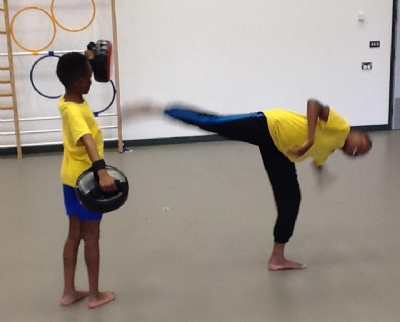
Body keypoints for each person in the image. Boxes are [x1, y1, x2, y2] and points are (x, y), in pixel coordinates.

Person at [127, 98, 372, 270]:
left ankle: (277, 258)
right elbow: (314, 104)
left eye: (360, 154)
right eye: (361, 145)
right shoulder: (341, 127)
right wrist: (308, 139)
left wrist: (322, 173)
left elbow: (318, 159)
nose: (357, 151)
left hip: (279, 152)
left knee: (291, 201)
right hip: (269, 125)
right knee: (215, 123)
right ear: (357, 134)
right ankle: (157, 109)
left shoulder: (330, 148)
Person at [56, 52, 117, 308]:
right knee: (91, 236)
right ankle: (94, 295)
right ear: (78, 81)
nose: (91, 81)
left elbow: (74, 67)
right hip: (86, 182)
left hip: (69, 178)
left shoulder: (67, 100)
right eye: (89, 78)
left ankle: (69, 292)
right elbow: (88, 140)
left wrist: (88, 57)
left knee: (74, 234)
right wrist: (101, 171)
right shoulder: (75, 113)